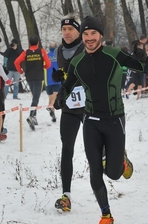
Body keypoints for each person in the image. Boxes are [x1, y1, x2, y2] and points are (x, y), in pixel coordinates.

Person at [54, 16, 148, 224]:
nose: (89, 38)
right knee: (95, 170)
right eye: (86, 34)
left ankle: (122, 162)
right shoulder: (77, 63)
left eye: (93, 34)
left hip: (114, 119)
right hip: (91, 120)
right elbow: (69, 83)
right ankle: (106, 215)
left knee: (114, 174)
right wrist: (61, 95)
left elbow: (147, 69)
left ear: (100, 35)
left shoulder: (114, 54)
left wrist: (142, 56)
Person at [51, 13, 85, 212]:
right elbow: (65, 74)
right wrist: (59, 76)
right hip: (71, 106)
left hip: (90, 105)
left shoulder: (86, 46)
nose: (67, 32)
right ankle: (66, 195)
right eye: (64, 30)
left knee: (98, 148)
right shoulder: (60, 50)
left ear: (78, 31)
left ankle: (118, 158)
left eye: (70, 29)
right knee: (67, 148)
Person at [14, 35, 51, 131]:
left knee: (35, 97)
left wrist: (21, 71)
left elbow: (16, 62)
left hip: (29, 77)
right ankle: (31, 116)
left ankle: (34, 116)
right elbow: (48, 64)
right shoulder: (41, 51)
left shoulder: (26, 52)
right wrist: (44, 68)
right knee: (36, 98)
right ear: (38, 43)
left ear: (29, 43)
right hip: (38, 77)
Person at [44, 41, 60, 123]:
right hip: (57, 80)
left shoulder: (46, 56)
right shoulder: (59, 55)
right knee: (55, 97)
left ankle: (53, 114)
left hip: (48, 80)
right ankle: (51, 108)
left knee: (51, 98)